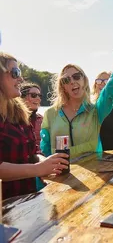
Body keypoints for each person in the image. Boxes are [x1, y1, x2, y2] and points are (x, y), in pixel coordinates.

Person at [40, 43, 113, 158]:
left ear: (84, 80)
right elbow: (45, 150)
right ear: (63, 86)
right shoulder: (50, 114)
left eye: (77, 76)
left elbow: (110, 88)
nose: (72, 81)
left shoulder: (96, 111)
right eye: (66, 80)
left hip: (92, 174)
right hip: (61, 174)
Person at [0, 52, 69, 200]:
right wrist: (37, 169)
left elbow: (32, 153)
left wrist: (45, 163)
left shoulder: (19, 114)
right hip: (4, 207)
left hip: (28, 201)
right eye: (15, 72)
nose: (20, 78)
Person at [92, 71, 113, 150]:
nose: (102, 83)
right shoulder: (92, 106)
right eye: (99, 81)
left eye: (106, 81)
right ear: (95, 85)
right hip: (98, 153)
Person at [20, 82, 43, 150]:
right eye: (33, 95)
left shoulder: (42, 120)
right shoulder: (12, 120)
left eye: (40, 96)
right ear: (22, 97)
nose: (38, 98)